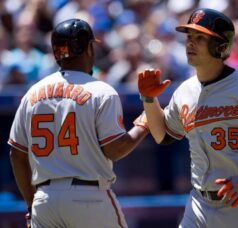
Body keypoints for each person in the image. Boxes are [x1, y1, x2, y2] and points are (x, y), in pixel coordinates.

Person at [137, 8, 238, 228]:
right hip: (199, 204)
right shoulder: (185, 91)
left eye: (199, 38)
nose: (190, 44)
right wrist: (149, 101)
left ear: (221, 46)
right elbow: (163, 136)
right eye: (189, 37)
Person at [8, 18, 149, 228]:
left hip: (45, 199)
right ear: (89, 48)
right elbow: (114, 149)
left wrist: (32, 204)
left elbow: (17, 154)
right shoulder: (101, 91)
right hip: (89, 196)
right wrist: (144, 123)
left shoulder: (32, 93)